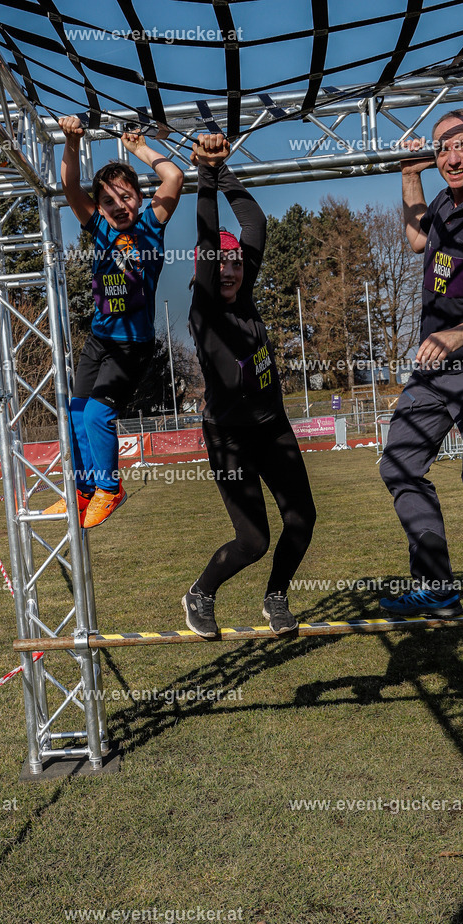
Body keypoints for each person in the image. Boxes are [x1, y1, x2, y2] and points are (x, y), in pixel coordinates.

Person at [182, 134, 316, 637]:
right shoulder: (206, 307)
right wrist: (203, 177)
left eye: (238, 263)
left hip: (271, 426)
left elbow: (253, 222)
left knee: (302, 519)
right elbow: (212, 235)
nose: (232, 269)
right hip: (229, 436)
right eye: (221, 264)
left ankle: (276, 596)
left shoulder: (244, 287)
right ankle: (200, 593)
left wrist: (222, 169)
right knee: (253, 540)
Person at [42, 115, 183, 528]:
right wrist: (70, 142)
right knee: (75, 413)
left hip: (131, 343)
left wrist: (138, 148)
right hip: (99, 339)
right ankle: (83, 493)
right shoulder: (99, 228)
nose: (120, 206)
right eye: (109, 202)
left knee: (98, 416)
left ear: (140, 197)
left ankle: (109, 488)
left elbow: (173, 175)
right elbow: (69, 186)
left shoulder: (151, 225)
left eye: (127, 197)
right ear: (100, 207)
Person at [379, 108, 463, 619]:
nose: (450, 156)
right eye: (442, 147)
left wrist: (460, 331)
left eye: (462, 144)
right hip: (434, 368)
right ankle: (436, 585)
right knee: (398, 461)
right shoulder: (443, 203)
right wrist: (408, 175)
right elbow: (418, 239)